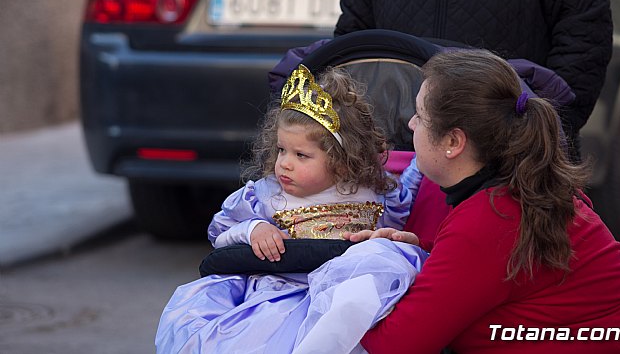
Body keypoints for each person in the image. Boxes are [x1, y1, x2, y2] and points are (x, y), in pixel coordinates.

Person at [344, 49, 620, 353]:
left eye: (420, 115)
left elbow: (394, 346)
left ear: (453, 142)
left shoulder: (488, 218)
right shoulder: (523, 188)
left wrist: (358, 284)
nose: (411, 125)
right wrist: (416, 255)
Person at [155, 65, 425, 353]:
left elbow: (404, 208)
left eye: (301, 155)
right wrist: (254, 229)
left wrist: (420, 163)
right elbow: (220, 233)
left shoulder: (375, 192)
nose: (284, 163)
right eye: (282, 150)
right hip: (277, 295)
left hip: (343, 299)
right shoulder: (267, 196)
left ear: (341, 161)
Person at [335, 0, 613, 162]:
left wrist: (537, 135)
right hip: (396, 161)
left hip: (510, 162)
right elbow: (354, 39)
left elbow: (585, 39)